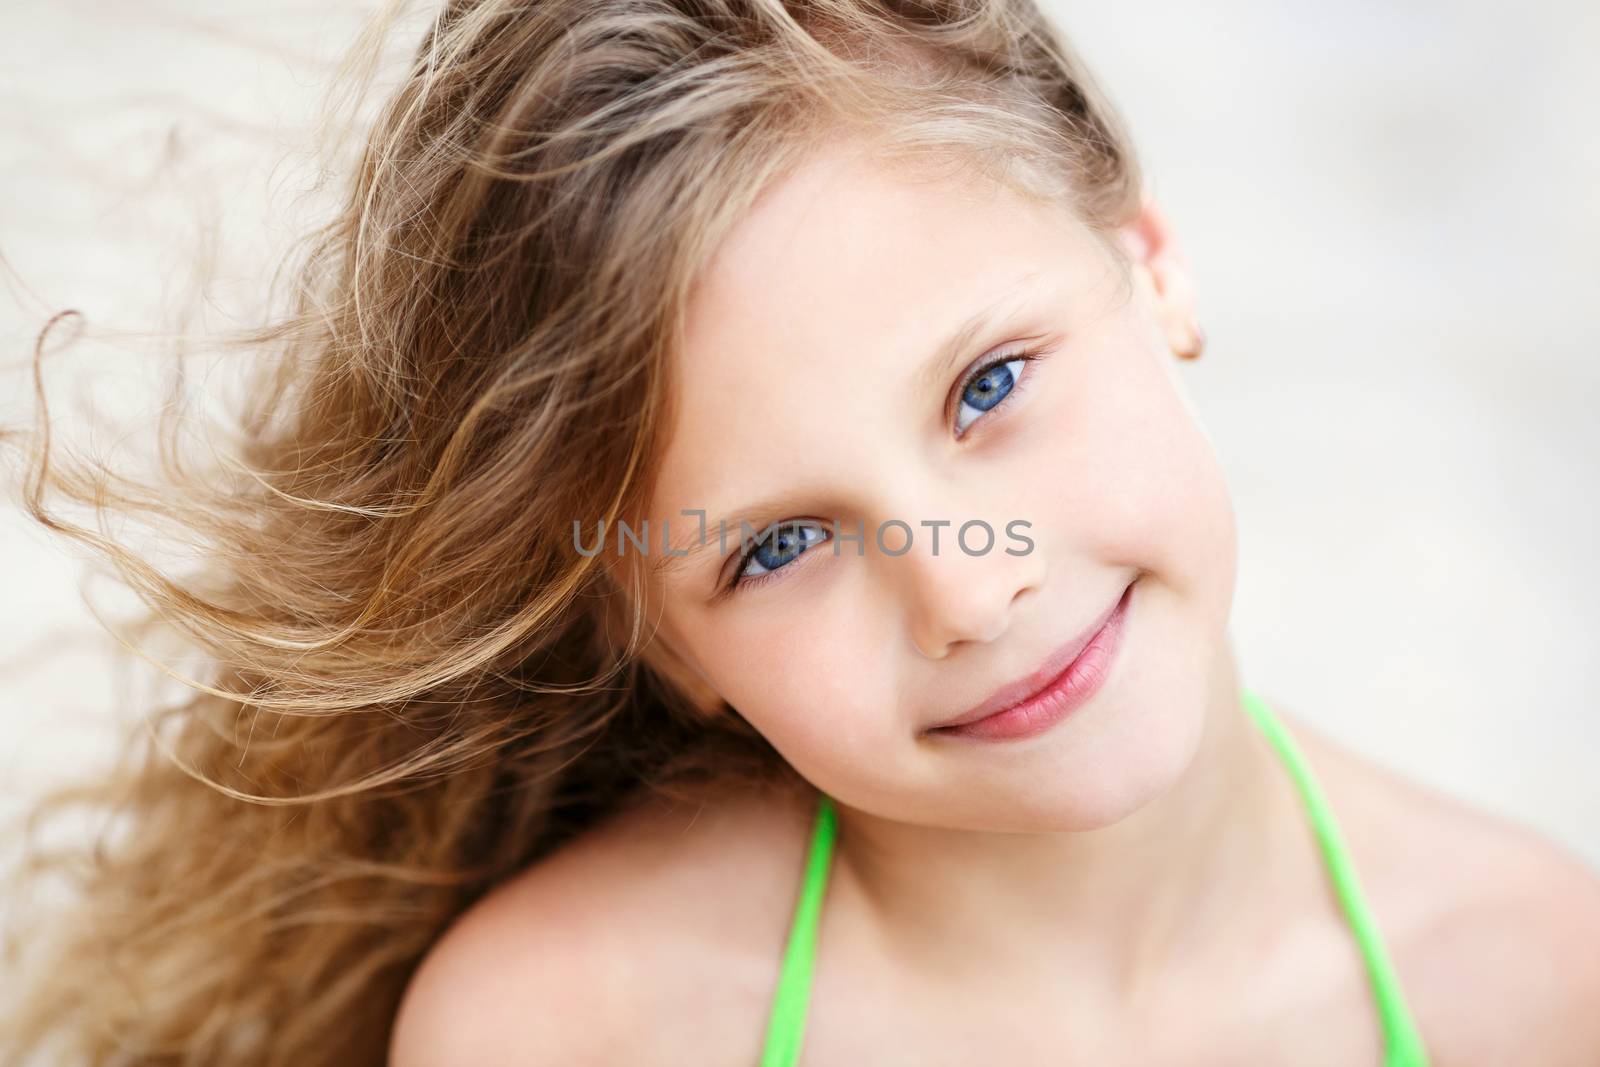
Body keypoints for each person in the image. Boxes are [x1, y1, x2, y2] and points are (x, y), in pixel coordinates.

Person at [3, 1, 1597, 1065]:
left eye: (988, 388)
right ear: (653, 639)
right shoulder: (573, 1031)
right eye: (773, 548)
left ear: (1150, 262)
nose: (965, 596)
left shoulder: (1537, 980)